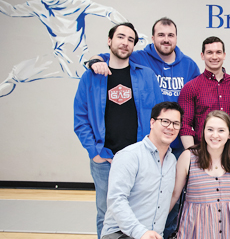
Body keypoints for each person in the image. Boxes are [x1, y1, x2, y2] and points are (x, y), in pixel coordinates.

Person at [89, 17, 200, 235]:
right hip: (150, 143)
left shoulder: (189, 65)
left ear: (176, 38)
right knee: (131, 201)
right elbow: (105, 57)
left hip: (176, 146)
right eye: (161, 35)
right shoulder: (139, 57)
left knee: (170, 201)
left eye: (170, 35)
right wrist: (92, 61)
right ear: (152, 38)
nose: (166, 40)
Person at [0, 0, 133, 110]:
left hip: (79, 61)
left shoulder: (77, 4)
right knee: (15, 75)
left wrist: (130, 32)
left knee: (102, 73)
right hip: (57, 60)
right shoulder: (40, 6)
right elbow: (12, 10)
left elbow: (108, 11)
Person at [73, 22, 161, 239]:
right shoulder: (91, 77)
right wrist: (95, 152)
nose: (125, 43)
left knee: (140, 213)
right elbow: (80, 119)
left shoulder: (146, 76)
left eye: (131, 40)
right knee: (106, 214)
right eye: (121, 37)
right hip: (106, 159)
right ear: (109, 41)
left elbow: (160, 115)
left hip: (139, 158)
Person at [100, 101, 183, 239]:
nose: (170, 127)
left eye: (176, 123)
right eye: (165, 121)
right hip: (120, 234)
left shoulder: (172, 161)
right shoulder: (130, 155)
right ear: (152, 123)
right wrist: (141, 232)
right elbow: (116, 199)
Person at [169, 110, 230, 238]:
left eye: (221, 130)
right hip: (195, 230)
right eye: (210, 129)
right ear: (203, 132)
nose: (215, 135)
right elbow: (174, 195)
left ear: (229, 134)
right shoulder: (188, 157)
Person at [178, 36, 230, 149]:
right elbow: (185, 125)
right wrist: (192, 156)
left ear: (224, 55)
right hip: (202, 153)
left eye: (218, 52)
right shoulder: (191, 87)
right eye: (209, 52)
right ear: (202, 55)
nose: (214, 57)